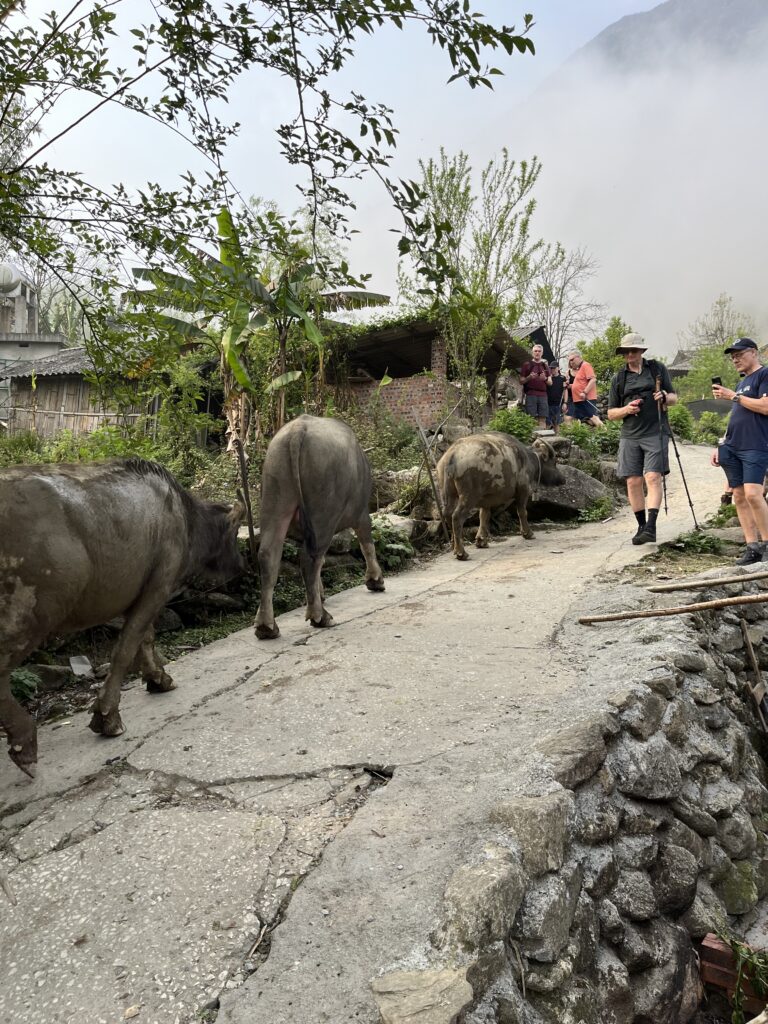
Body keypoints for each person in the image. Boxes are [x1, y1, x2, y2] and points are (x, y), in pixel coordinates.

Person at [607, 333, 677, 545]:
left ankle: (651, 527)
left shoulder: (657, 370)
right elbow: (611, 413)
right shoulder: (619, 379)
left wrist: (663, 396)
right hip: (630, 435)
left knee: (653, 477)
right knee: (633, 481)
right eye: (626, 351)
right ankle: (641, 526)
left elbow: (673, 397)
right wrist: (627, 409)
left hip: (656, 431)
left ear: (641, 351)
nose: (630, 354)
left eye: (634, 350)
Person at [711, 337, 768, 565]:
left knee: (754, 494)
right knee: (739, 495)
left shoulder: (764, 375)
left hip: (756, 444)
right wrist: (722, 443)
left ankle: (767, 544)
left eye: (739, 355)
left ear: (753, 352)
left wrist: (733, 396)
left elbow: (766, 407)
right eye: (733, 357)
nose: (735, 360)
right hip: (733, 444)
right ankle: (752, 547)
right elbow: (737, 415)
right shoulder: (741, 383)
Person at [520, 343, 552, 429]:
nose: (537, 353)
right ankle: (532, 436)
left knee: (543, 418)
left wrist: (545, 379)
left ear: (542, 353)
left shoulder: (545, 366)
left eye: (539, 351)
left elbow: (550, 383)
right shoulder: (526, 365)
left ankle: (542, 435)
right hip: (531, 394)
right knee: (531, 418)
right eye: (535, 351)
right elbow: (521, 381)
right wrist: (529, 377)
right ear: (532, 352)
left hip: (543, 395)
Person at [569, 350, 603, 427]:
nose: (571, 362)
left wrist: (585, 392)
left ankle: (605, 432)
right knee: (579, 419)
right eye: (570, 360)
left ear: (578, 357)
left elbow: (593, 379)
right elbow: (580, 384)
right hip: (578, 399)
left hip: (586, 398)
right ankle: (579, 433)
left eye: (572, 359)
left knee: (593, 418)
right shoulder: (580, 368)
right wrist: (570, 385)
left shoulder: (586, 365)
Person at [546, 360, 565, 433]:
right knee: (547, 423)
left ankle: (558, 437)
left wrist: (565, 402)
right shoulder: (548, 378)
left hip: (558, 404)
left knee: (557, 423)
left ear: (558, 368)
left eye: (554, 368)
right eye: (551, 368)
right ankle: (545, 436)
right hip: (548, 404)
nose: (552, 369)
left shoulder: (562, 378)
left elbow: (565, 391)